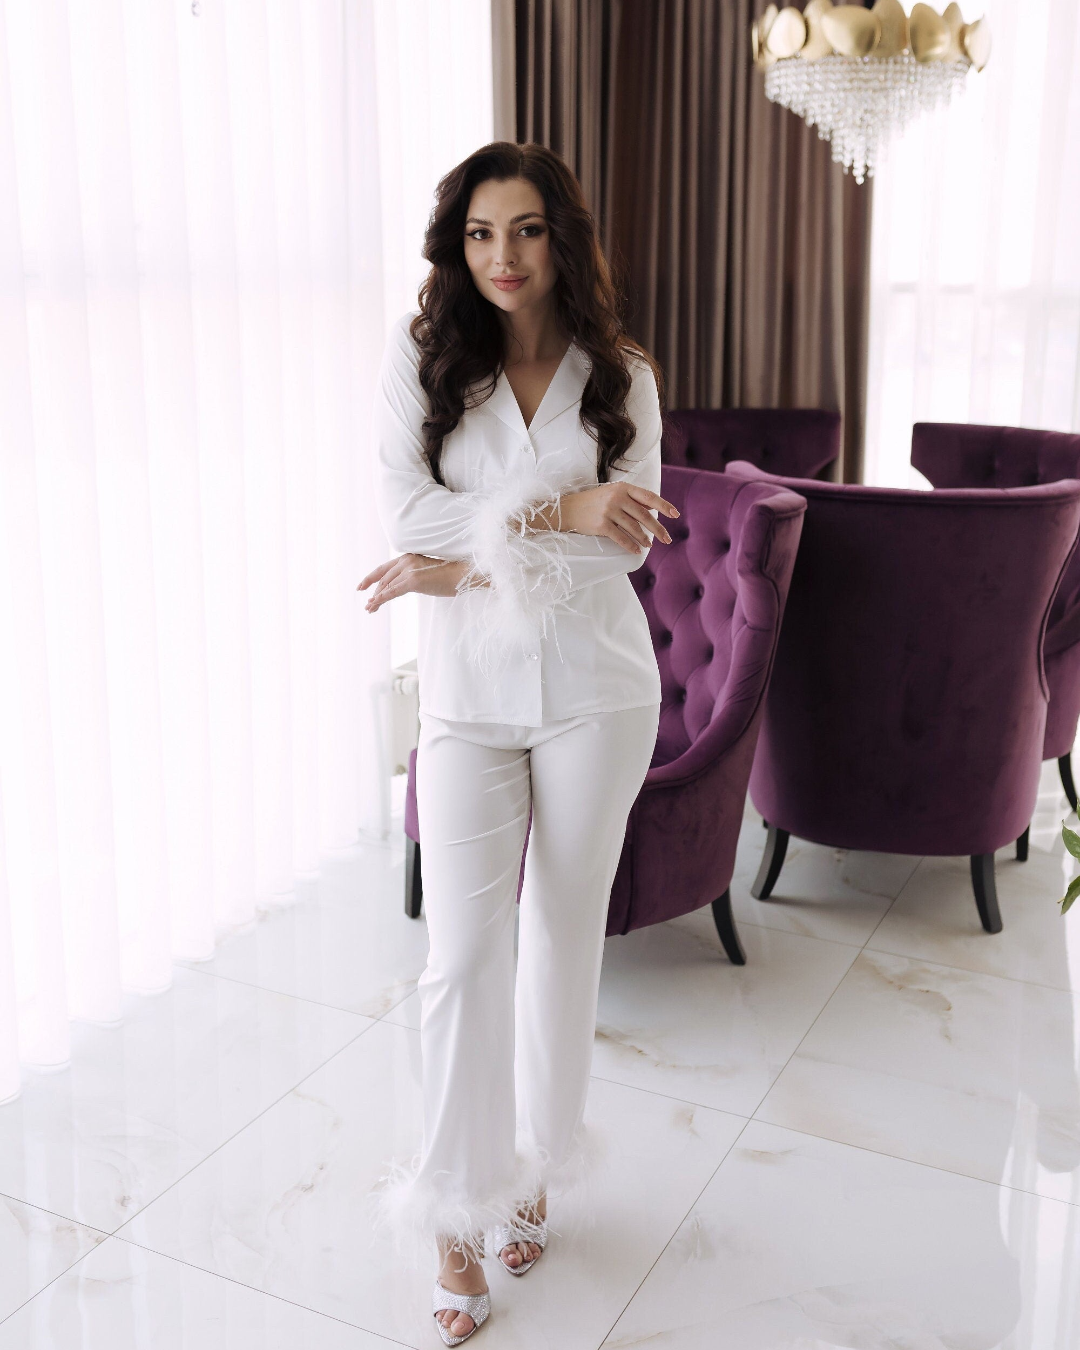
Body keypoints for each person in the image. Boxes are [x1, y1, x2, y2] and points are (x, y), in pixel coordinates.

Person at [359, 141, 675, 1346]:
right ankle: (454, 1214)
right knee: (460, 960)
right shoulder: (420, 359)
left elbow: (628, 547)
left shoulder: (622, 376)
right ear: (458, 243)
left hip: (599, 693)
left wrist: (468, 558)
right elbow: (404, 512)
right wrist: (557, 506)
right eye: (483, 233)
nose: (503, 256)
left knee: (560, 941)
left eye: (528, 230)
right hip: (467, 700)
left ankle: (533, 1169)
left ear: (562, 239)